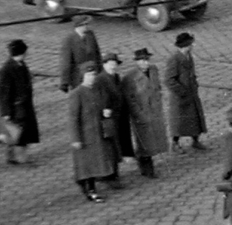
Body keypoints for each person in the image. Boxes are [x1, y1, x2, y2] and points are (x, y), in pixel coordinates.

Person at [65, 62, 115, 203]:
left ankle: (89, 186)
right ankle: (89, 190)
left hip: (98, 134)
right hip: (84, 135)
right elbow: (73, 118)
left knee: (94, 163)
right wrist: (75, 139)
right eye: (88, 75)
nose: (92, 78)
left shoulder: (98, 90)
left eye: (93, 75)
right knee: (86, 164)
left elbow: (104, 105)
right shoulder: (77, 94)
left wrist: (106, 112)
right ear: (83, 76)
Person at [122, 49, 168, 177]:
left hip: (155, 111)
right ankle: (147, 168)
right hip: (142, 113)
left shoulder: (153, 70)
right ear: (137, 62)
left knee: (155, 140)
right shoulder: (130, 78)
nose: (145, 63)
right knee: (145, 142)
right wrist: (139, 114)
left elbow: (157, 87)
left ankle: (146, 162)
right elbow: (130, 100)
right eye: (142, 60)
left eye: (147, 60)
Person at [0, 40, 39, 166]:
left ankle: (13, 156)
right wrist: (6, 112)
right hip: (16, 108)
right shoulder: (7, 70)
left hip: (24, 106)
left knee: (19, 132)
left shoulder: (21, 64)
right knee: (19, 133)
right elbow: (2, 93)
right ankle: (19, 158)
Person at [163, 32, 207, 150]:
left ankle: (195, 140)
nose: (192, 46)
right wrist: (182, 91)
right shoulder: (174, 59)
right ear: (186, 45)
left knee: (194, 119)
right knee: (179, 122)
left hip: (191, 94)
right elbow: (169, 80)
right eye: (190, 44)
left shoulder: (189, 56)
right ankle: (175, 143)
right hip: (180, 97)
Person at [95, 55, 129, 190]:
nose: (113, 66)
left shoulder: (115, 77)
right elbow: (97, 100)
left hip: (117, 116)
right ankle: (110, 176)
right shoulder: (100, 79)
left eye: (115, 64)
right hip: (107, 119)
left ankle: (111, 174)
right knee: (110, 148)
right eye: (110, 64)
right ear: (104, 64)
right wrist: (103, 111)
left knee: (115, 146)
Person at [58, 15, 100, 93]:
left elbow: (97, 54)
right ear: (78, 26)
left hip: (92, 73)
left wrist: (100, 71)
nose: (87, 26)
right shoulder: (69, 40)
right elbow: (66, 62)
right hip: (78, 77)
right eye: (85, 24)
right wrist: (64, 82)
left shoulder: (90, 34)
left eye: (87, 24)